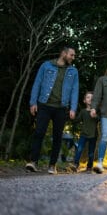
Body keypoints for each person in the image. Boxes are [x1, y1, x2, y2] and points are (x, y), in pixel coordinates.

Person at [26, 46, 79, 174]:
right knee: (39, 133)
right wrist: (33, 102)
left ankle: (52, 165)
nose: (73, 57)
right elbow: (37, 83)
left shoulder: (73, 71)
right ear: (63, 53)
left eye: (74, 55)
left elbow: (74, 90)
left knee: (57, 136)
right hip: (44, 104)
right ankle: (33, 162)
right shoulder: (46, 66)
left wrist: (73, 108)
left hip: (61, 108)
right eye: (71, 55)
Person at [72, 91, 98, 172]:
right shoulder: (83, 111)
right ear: (84, 101)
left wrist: (95, 115)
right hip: (83, 134)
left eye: (92, 98)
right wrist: (72, 117)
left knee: (91, 152)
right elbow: (77, 119)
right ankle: (75, 164)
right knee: (79, 149)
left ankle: (89, 167)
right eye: (88, 97)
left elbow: (99, 119)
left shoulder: (96, 111)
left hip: (93, 135)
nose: (90, 99)